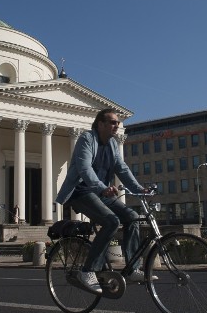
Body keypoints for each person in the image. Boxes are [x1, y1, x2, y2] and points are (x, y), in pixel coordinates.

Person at [55, 108, 150, 294]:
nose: (117, 125)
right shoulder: (87, 139)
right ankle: (88, 270)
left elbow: (122, 169)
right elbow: (84, 168)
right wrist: (101, 187)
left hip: (101, 194)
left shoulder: (113, 144)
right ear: (101, 124)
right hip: (81, 192)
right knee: (111, 221)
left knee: (132, 216)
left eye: (118, 123)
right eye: (112, 122)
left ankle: (132, 269)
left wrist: (139, 189)